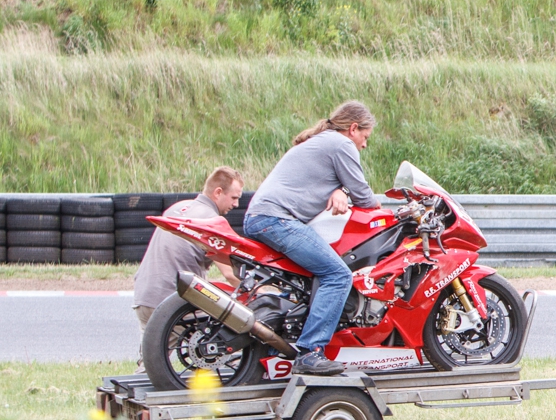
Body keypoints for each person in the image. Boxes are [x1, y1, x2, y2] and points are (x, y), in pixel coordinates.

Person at [242, 101, 380, 376]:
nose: (364, 145)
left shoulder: (322, 142)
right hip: (276, 219)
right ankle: (311, 352)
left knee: (307, 279)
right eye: (365, 137)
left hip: (265, 217)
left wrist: (339, 189)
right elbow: (365, 197)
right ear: (353, 129)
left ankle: (278, 343)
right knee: (338, 275)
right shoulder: (341, 145)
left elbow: (331, 180)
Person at [133, 167, 245, 358]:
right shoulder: (211, 221)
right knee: (233, 338)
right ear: (218, 192)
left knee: (151, 365)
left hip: (144, 296)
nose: (236, 204)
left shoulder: (178, 208)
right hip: (171, 300)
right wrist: (259, 294)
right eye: (234, 198)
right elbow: (229, 273)